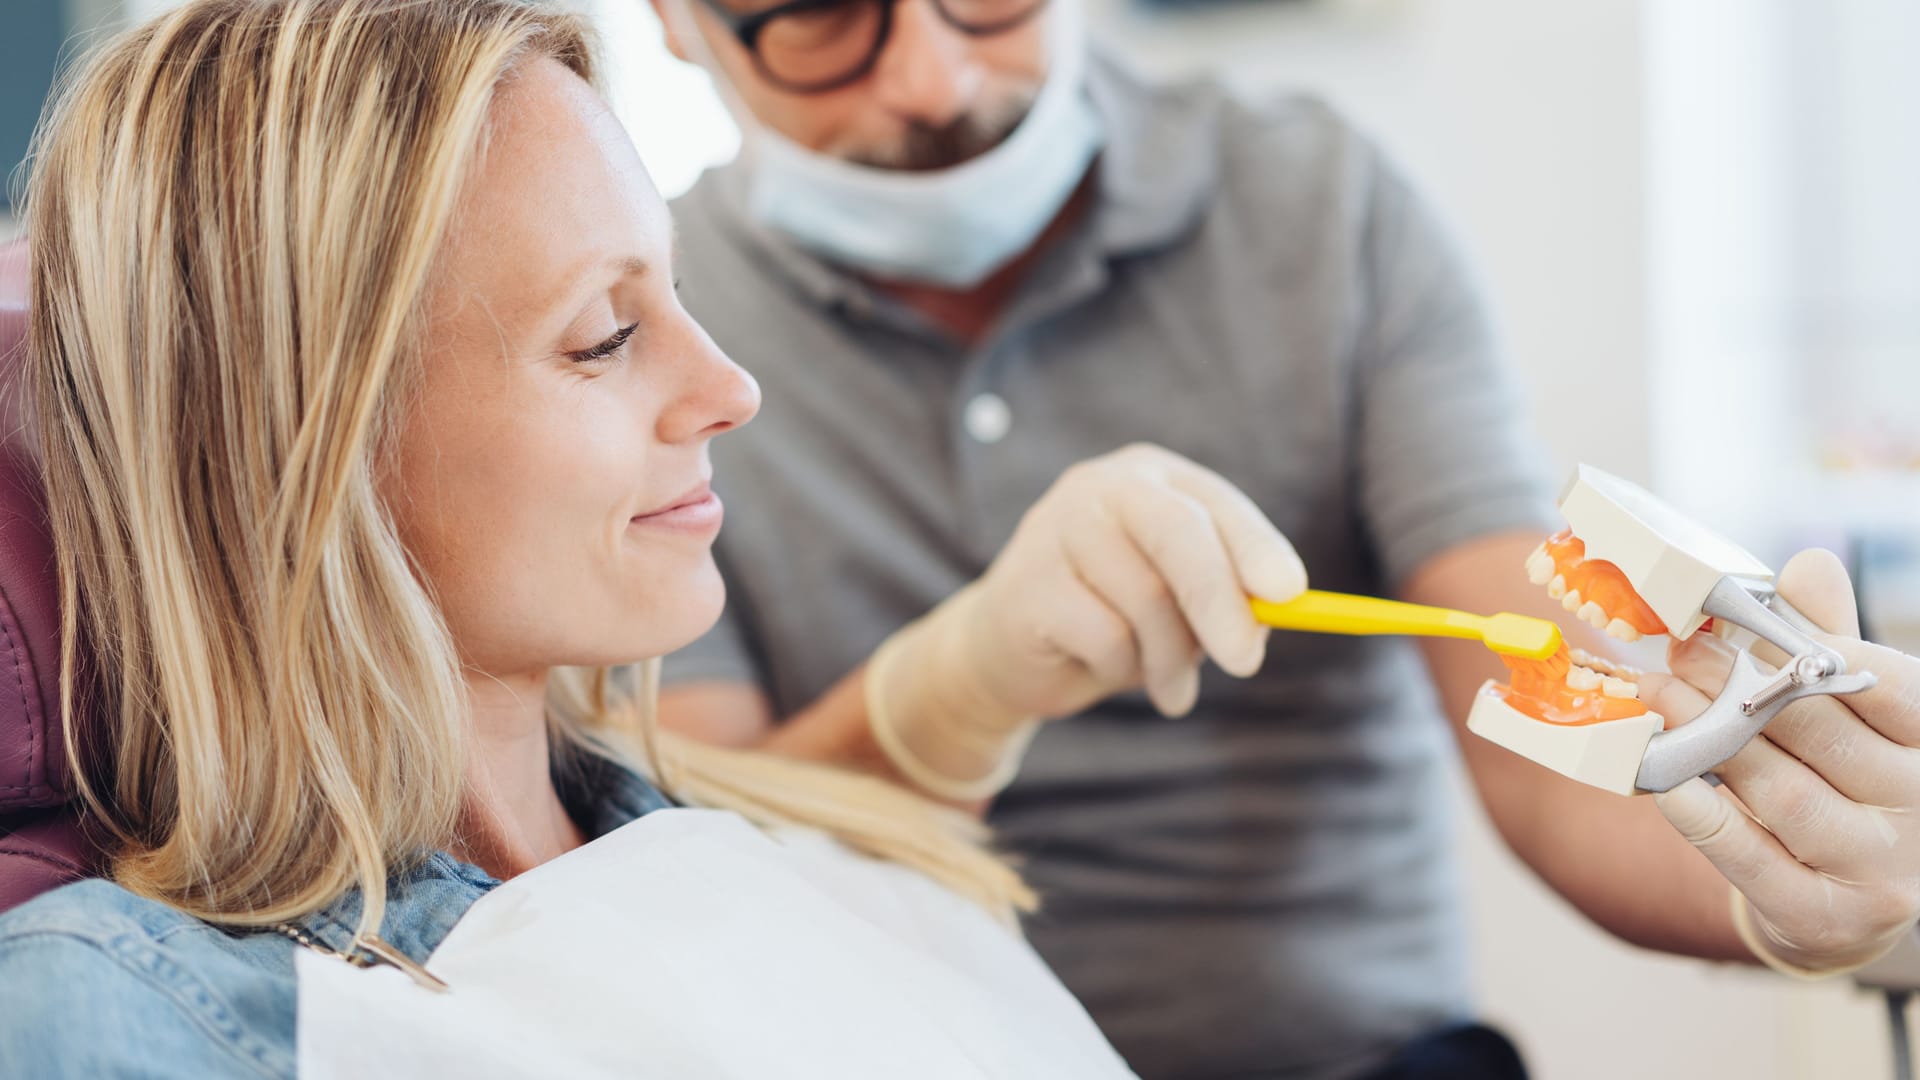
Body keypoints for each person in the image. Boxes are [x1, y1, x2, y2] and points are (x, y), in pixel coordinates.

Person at [645, 0, 1920, 1074]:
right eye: (817, 14)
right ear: (674, 18)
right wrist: (955, 689)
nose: (932, 75)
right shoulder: (640, 325)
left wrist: (1795, 888)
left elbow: (1542, 728)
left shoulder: (1325, 209)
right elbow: (690, 866)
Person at [0, 1, 1135, 1075]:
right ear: (309, 448)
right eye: (604, 338)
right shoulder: (133, 1012)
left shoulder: (816, 849)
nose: (731, 389)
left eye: (678, 291)